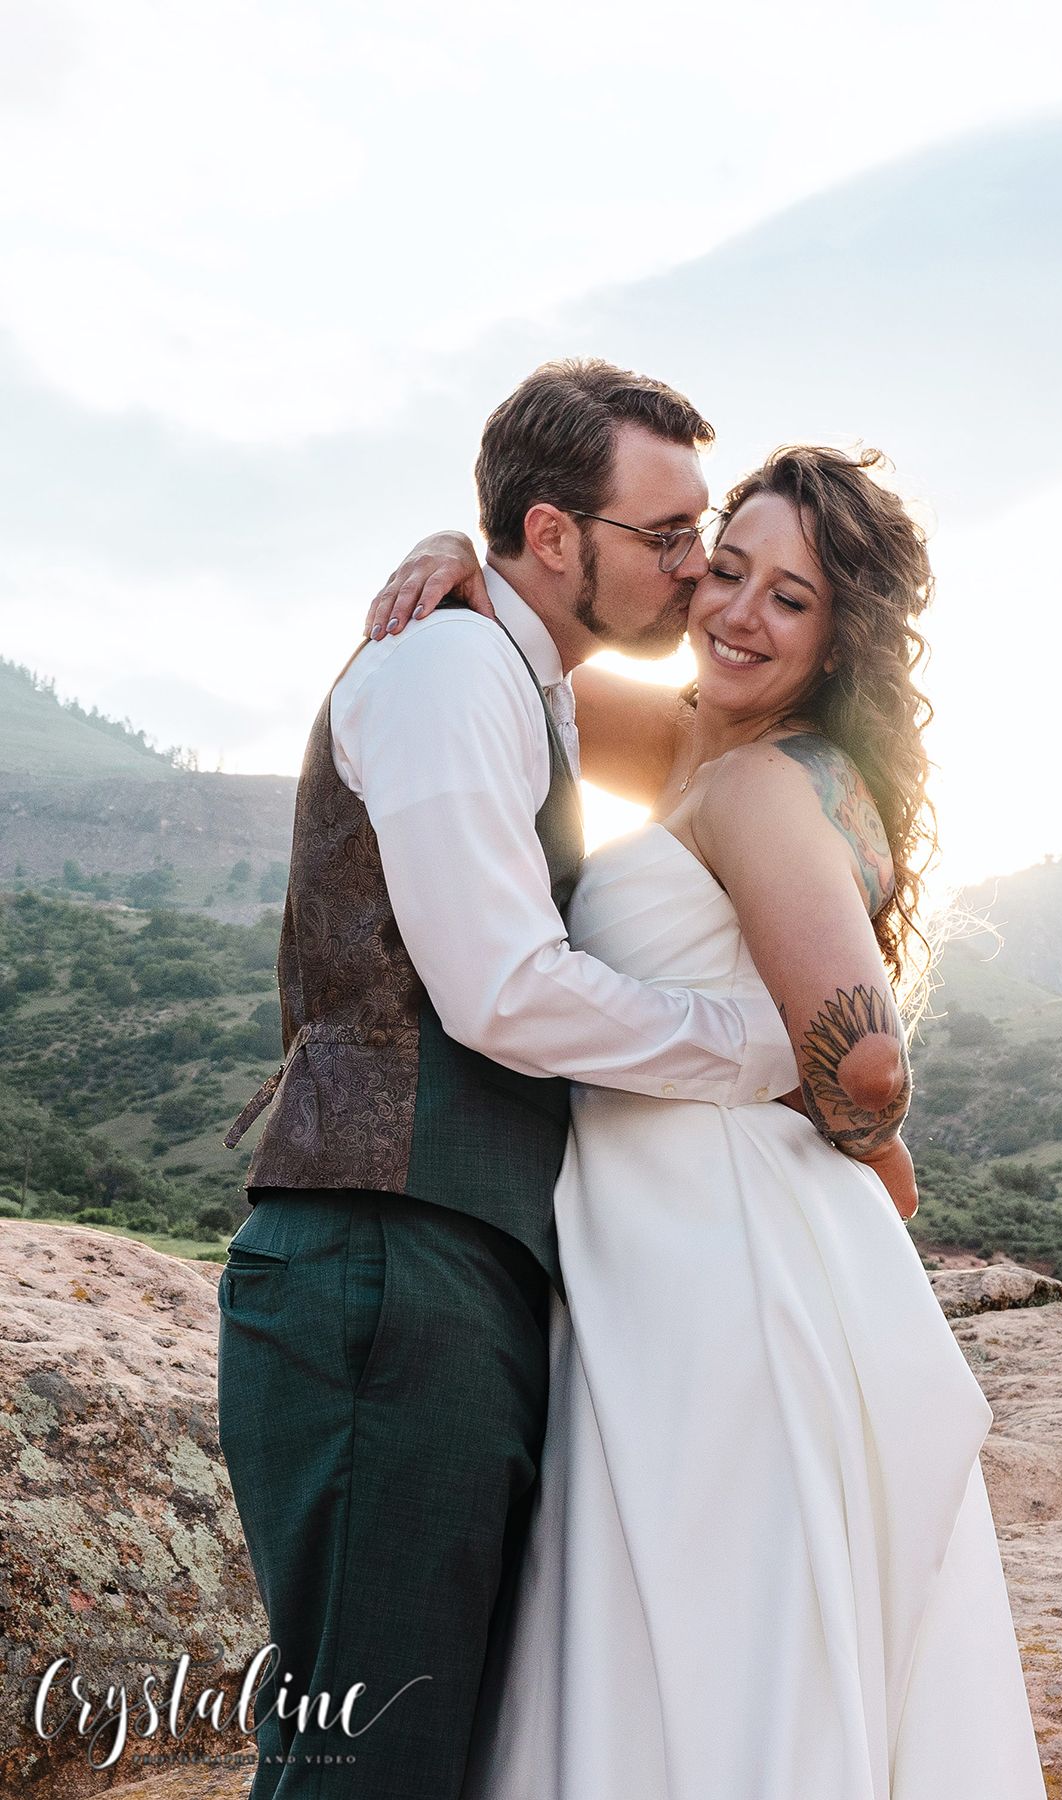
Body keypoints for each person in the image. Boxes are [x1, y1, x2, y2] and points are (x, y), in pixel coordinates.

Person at [365, 445, 1047, 1797]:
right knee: (679, 1631)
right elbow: (525, 658)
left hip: (721, 1260)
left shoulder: (757, 783)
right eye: (726, 570)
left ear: (840, 631)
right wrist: (466, 553)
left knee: (709, 1633)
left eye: (789, 599)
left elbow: (863, 1066)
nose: (739, 613)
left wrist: (869, 1147)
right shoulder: (695, 740)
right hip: (663, 1247)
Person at [216, 359, 814, 1800]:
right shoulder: (448, 668)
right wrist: (757, 1049)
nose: (694, 568)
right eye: (666, 539)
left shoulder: (526, 676)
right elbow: (498, 990)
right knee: (367, 1766)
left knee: (422, 1758)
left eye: (703, 534)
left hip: (452, 1268)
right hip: (381, 1267)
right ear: (555, 538)